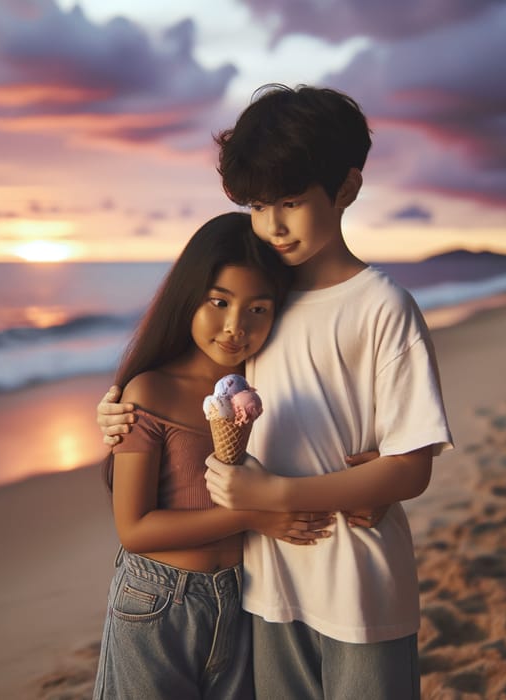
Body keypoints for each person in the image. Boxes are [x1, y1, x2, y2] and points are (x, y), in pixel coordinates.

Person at [99, 84, 453, 699]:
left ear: (345, 189)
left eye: (289, 202)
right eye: (259, 206)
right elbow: (196, 392)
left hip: (359, 584)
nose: (272, 225)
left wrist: (285, 494)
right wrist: (114, 407)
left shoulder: (382, 307)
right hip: (265, 593)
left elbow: (410, 468)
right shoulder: (264, 307)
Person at [91, 212, 335, 700]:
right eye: (219, 302)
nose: (234, 328)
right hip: (159, 601)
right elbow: (135, 529)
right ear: (190, 297)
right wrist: (256, 516)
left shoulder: (268, 381)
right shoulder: (150, 390)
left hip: (242, 596)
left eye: (258, 309)